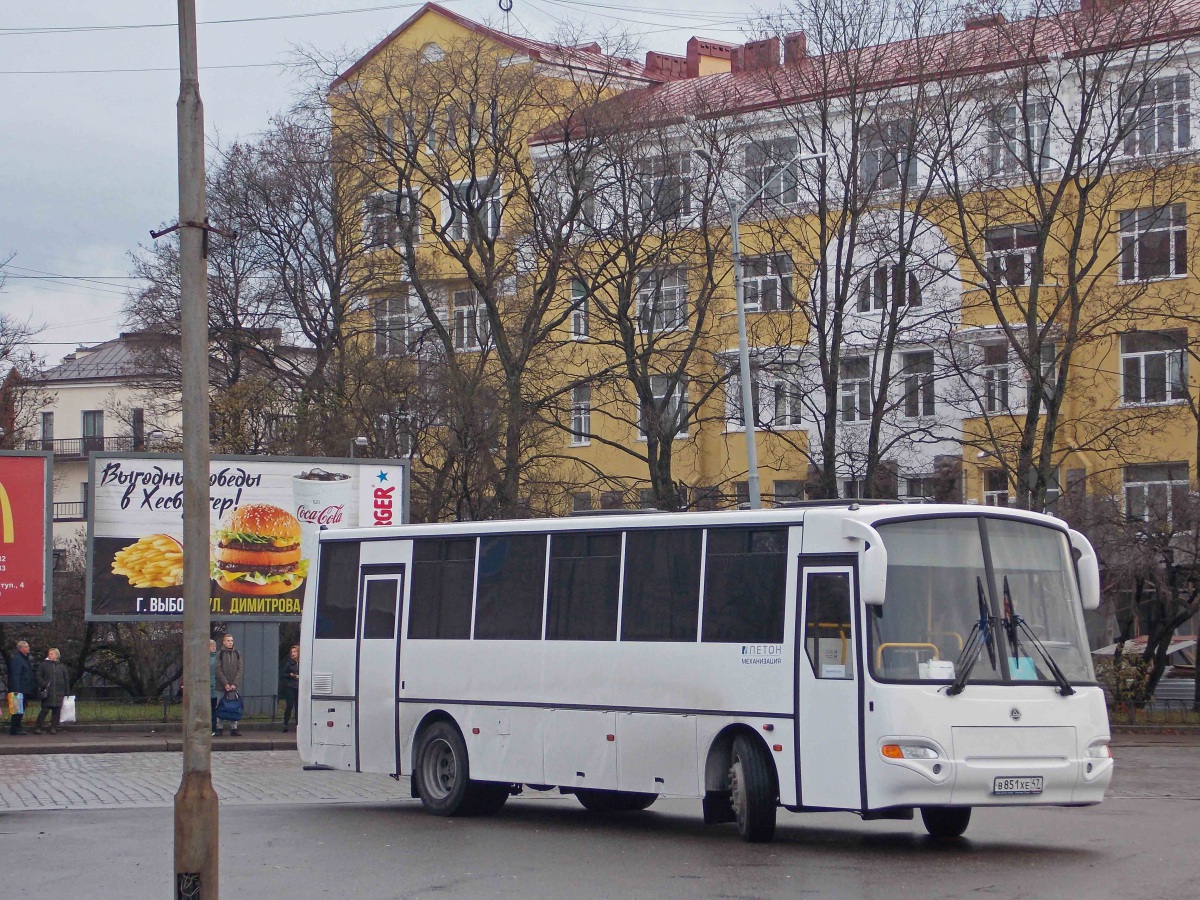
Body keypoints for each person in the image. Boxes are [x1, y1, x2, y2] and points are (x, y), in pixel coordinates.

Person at [34, 648, 71, 734]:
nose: (49, 655)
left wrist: (67, 691)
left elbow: (66, 680)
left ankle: (54, 727)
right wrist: (43, 684)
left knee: (56, 711)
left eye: (52, 654)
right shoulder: (44, 665)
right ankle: (38, 726)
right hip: (48, 692)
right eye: (49, 654)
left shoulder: (61, 667)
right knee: (44, 710)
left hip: (59, 692)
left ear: (57, 655)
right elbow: (38, 676)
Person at [214, 633, 244, 736]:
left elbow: (240, 669)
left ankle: (234, 727)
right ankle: (219, 727)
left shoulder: (237, 654)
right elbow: (218, 670)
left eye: (231, 640)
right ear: (224, 642)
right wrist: (225, 683)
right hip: (221, 686)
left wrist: (234, 683)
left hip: (234, 686)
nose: (230, 642)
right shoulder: (220, 654)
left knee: (234, 706)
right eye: (228, 640)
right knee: (220, 706)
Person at [8, 640, 36, 736]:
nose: (28, 648)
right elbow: (16, 675)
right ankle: (14, 729)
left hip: (24, 688)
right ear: (21, 648)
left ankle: (17, 727)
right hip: (19, 689)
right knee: (17, 710)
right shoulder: (18, 659)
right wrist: (17, 690)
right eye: (26, 646)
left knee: (21, 709)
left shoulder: (24, 658)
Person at [280, 645, 299, 732]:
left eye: (295, 652)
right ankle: (285, 724)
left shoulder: (300, 662)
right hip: (290, 685)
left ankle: (298, 724)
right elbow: (283, 673)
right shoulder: (289, 663)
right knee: (290, 704)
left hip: (298, 686)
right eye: (292, 652)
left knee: (298, 706)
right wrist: (290, 675)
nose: (293, 654)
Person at [208, 639, 219, 736]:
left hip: (214, 687)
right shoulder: (204, 658)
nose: (213, 647)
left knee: (213, 709)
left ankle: (214, 727)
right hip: (207, 687)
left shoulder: (217, 658)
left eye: (214, 646)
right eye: (211, 646)